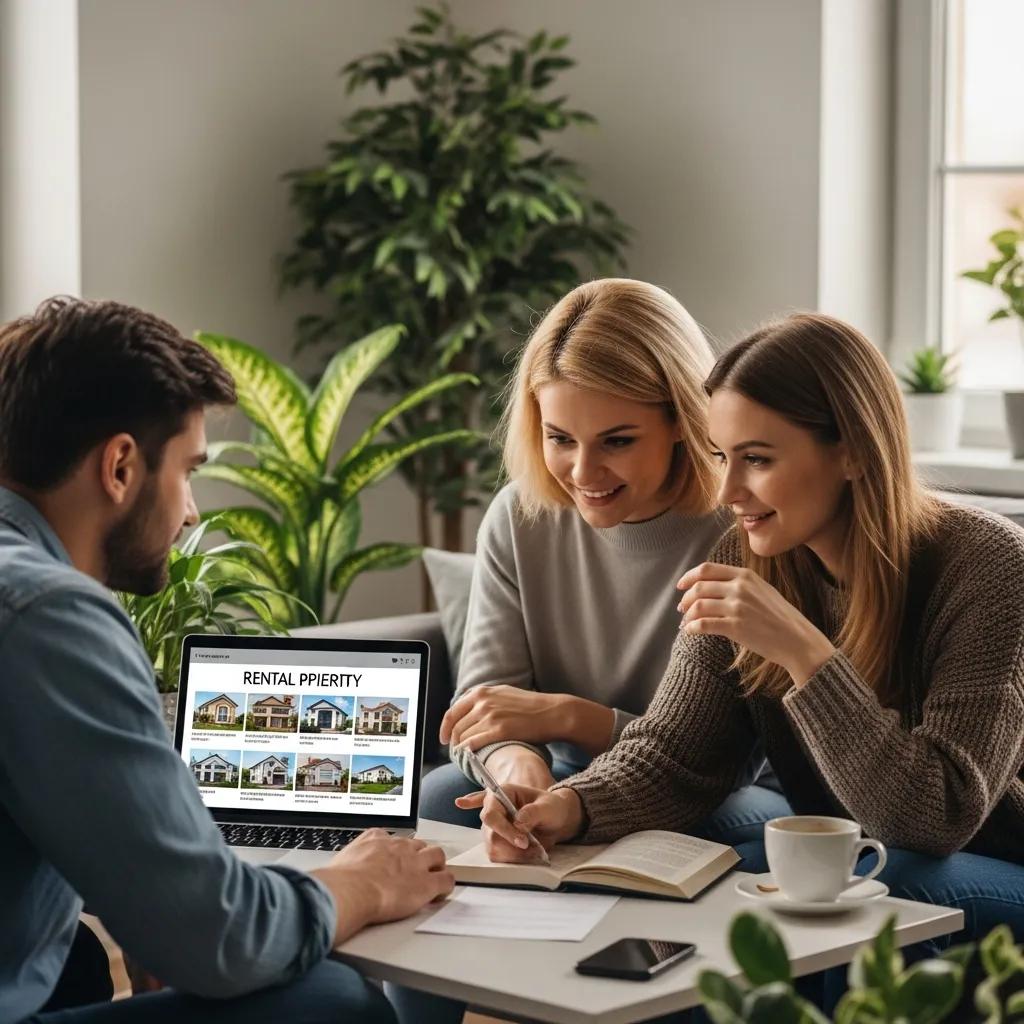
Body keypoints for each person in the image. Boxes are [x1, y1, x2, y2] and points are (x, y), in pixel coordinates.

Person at [473, 311, 1024, 953]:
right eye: (720, 457)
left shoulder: (991, 568)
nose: (728, 489)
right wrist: (566, 808)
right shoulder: (747, 555)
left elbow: (936, 819)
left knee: (871, 887)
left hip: (988, 860)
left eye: (756, 459)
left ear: (849, 450)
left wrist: (806, 655)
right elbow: (676, 755)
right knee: (733, 890)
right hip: (853, 859)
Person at [0, 297, 453, 1024]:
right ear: (119, 466)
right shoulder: (47, 612)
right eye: (188, 471)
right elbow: (225, 938)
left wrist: (147, 901)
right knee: (334, 1003)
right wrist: (361, 884)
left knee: (77, 959)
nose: (191, 514)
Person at [422, 279, 786, 844]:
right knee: (439, 798)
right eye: (560, 438)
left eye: (617, 441)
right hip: (567, 773)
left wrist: (568, 717)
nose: (584, 474)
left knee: (681, 829)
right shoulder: (519, 517)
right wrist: (521, 771)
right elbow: (484, 706)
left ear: (681, 424)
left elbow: (718, 761)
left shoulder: (743, 526)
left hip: (722, 790)